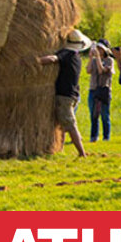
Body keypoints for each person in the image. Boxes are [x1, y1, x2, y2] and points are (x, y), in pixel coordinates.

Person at [36, 29, 92, 157]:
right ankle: (59, 148)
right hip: (73, 94)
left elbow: (52, 59)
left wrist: (36, 61)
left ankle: (81, 153)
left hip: (65, 95)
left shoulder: (66, 53)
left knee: (70, 124)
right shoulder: (76, 57)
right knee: (62, 123)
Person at [87, 38, 114, 142]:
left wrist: (98, 58)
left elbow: (101, 70)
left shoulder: (109, 61)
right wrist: (90, 58)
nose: (98, 50)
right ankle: (94, 136)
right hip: (93, 89)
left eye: (100, 48)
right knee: (93, 114)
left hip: (104, 90)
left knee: (104, 114)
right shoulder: (94, 60)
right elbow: (88, 70)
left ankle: (106, 137)